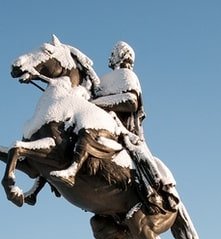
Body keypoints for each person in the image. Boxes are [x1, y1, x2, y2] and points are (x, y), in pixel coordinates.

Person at [50, 41, 179, 213]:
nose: (112, 57)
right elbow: (92, 93)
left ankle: (154, 188)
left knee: (140, 154)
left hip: (125, 131)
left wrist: (97, 105)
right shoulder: (105, 80)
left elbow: (131, 102)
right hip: (103, 124)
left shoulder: (127, 76)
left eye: (115, 53)